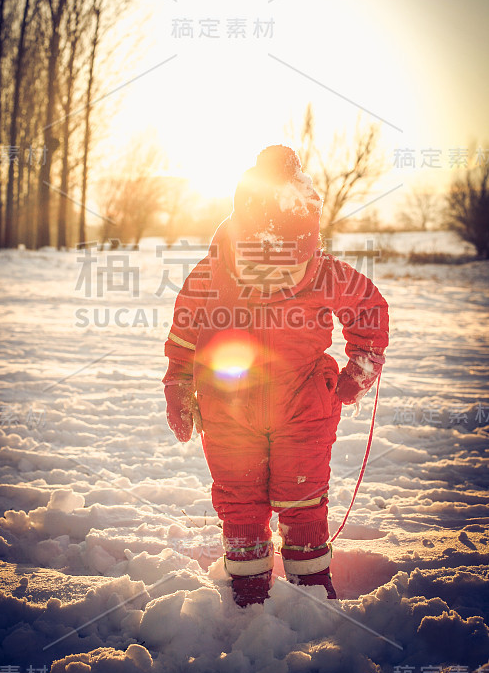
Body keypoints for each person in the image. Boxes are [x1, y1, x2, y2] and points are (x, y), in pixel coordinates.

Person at [162, 145, 389, 608]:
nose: (272, 277)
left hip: (305, 410)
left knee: (303, 500)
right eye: (256, 262)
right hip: (227, 412)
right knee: (240, 502)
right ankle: (247, 592)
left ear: (307, 243)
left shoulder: (325, 275)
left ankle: (311, 591)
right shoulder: (208, 277)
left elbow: (368, 310)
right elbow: (183, 337)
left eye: (288, 264)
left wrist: (357, 372)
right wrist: (177, 384)